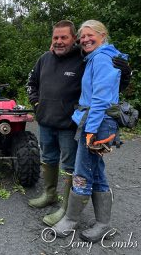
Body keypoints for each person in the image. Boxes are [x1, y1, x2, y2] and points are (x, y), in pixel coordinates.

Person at [26, 20, 131, 227]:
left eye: (64, 37)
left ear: (73, 39)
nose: (59, 41)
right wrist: (37, 103)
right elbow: (31, 82)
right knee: (48, 157)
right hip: (46, 121)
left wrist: (125, 73)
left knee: (70, 166)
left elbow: (109, 85)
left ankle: (66, 208)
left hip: (70, 125)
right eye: (55, 38)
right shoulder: (44, 59)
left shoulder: (85, 58)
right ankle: (49, 195)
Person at [52, 20, 127, 242]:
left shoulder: (102, 59)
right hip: (95, 120)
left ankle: (71, 220)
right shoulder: (97, 57)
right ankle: (103, 223)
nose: (84, 39)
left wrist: (90, 131)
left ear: (103, 35)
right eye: (82, 37)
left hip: (97, 122)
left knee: (83, 171)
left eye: (89, 35)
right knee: (96, 170)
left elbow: (101, 100)